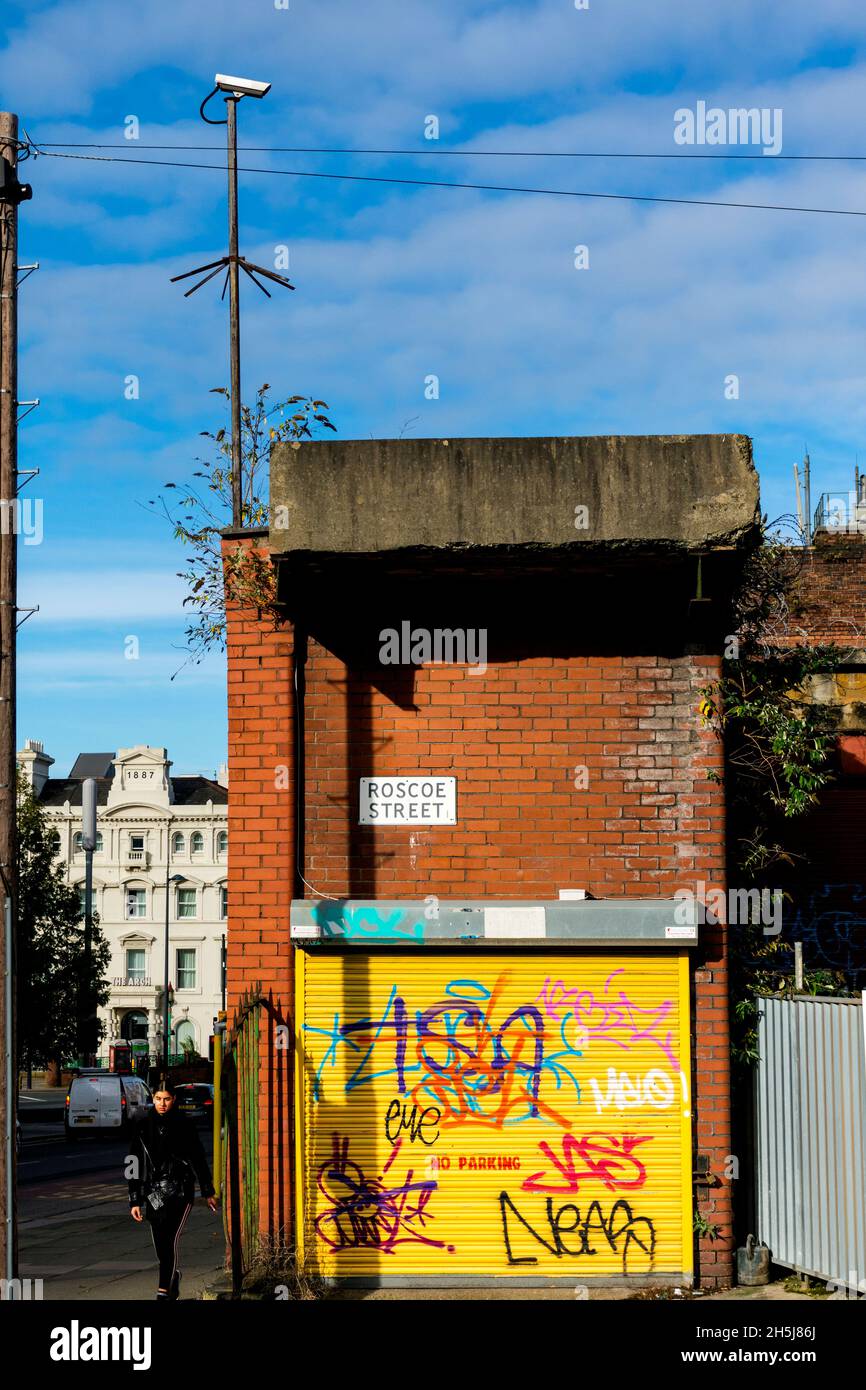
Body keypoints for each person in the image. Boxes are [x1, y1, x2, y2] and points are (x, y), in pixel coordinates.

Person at [127, 1075, 218, 1299]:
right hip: (153, 1194)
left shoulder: (184, 1125)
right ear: (152, 1098)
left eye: (167, 1099)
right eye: (158, 1098)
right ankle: (172, 1277)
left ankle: (162, 1291)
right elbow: (133, 1163)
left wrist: (207, 1191)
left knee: (170, 1239)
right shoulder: (142, 1126)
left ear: (174, 1099)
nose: (162, 1103)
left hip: (180, 1191)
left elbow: (198, 1158)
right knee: (160, 1244)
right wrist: (134, 1199)